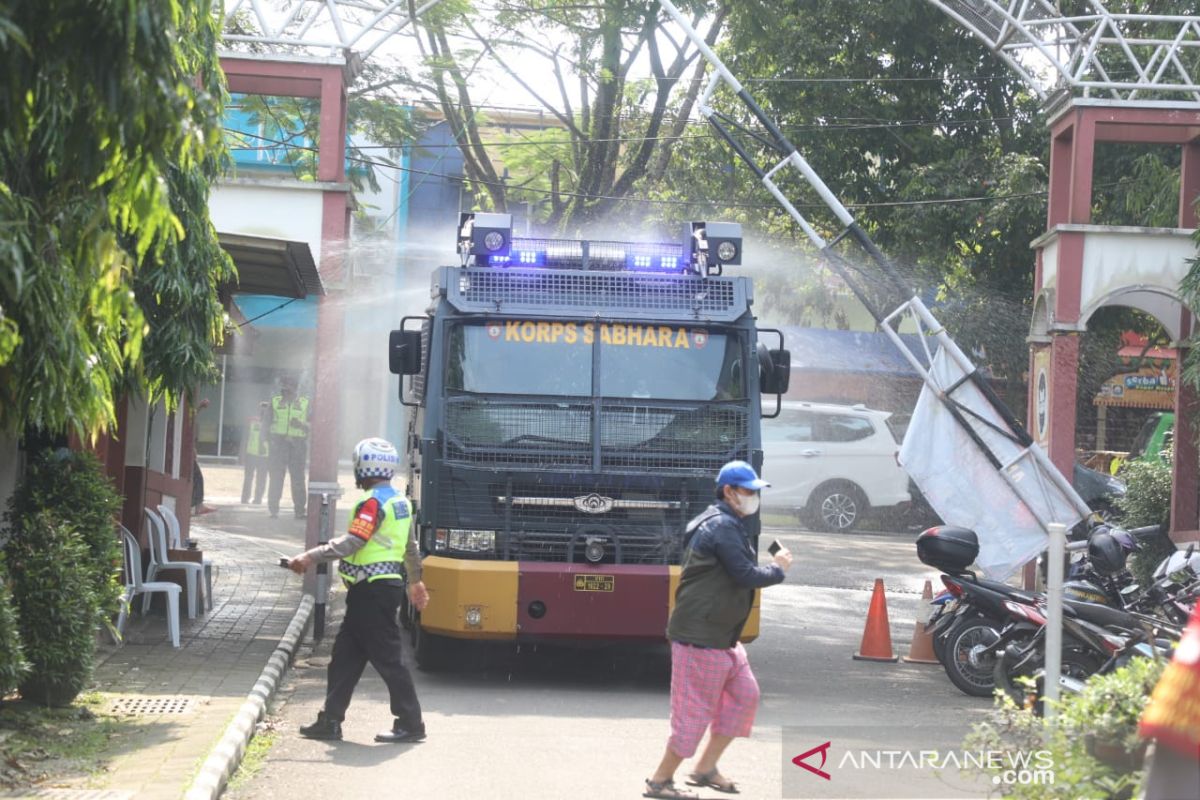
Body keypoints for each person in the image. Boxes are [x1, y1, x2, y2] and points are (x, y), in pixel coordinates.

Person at [643, 460, 793, 800]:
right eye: (749, 491)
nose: (754, 497)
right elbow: (746, 575)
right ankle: (659, 781)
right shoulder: (722, 526)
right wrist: (778, 569)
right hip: (701, 638)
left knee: (744, 696)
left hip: (722, 637)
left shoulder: (725, 521)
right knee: (692, 715)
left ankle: (705, 768)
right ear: (729, 491)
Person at [287, 437, 430, 743]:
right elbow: (410, 547)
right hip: (378, 590)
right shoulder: (400, 503)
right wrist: (416, 581)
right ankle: (331, 720)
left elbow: (354, 541)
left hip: (372, 592)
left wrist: (310, 556)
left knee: (389, 658)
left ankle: (411, 723)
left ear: (363, 468)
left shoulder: (372, 504)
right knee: (345, 657)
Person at [267, 374, 310, 519]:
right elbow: (266, 424)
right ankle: (273, 509)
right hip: (278, 444)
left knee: (298, 478)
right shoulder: (274, 402)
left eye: (290, 388)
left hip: (297, 444)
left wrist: (302, 425)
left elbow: (314, 425)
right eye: (284, 388)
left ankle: (299, 510)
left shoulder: (305, 403)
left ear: (296, 389)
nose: (286, 391)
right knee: (276, 477)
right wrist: (266, 441)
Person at [241, 401, 270, 505]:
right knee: (248, 477)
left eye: (266, 409)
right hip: (251, 454)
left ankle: (258, 499)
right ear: (259, 410)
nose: (264, 411)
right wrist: (242, 454)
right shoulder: (252, 421)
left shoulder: (272, 423)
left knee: (261, 479)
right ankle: (245, 498)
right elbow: (245, 437)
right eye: (262, 409)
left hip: (264, 456)